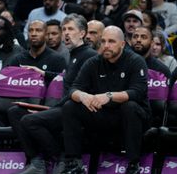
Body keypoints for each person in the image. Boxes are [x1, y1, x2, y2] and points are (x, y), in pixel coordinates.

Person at [11, 14, 96, 174]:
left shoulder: (89, 56)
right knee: (15, 112)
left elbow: (79, 90)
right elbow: (66, 78)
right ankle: (36, 161)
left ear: (83, 33)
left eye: (70, 29)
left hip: (77, 110)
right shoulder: (74, 55)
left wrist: (50, 109)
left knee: (30, 121)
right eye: (64, 29)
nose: (66, 33)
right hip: (64, 106)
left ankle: (61, 158)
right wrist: (44, 73)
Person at [60, 26, 149, 174]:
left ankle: (133, 165)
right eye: (103, 41)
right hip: (103, 115)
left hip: (132, 116)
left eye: (112, 41)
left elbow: (138, 92)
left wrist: (109, 96)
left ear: (122, 44)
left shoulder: (136, 61)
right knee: (70, 106)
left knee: (130, 106)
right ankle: (73, 163)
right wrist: (83, 96)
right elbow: (73, 89)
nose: (106, 45)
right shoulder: (93, 62)